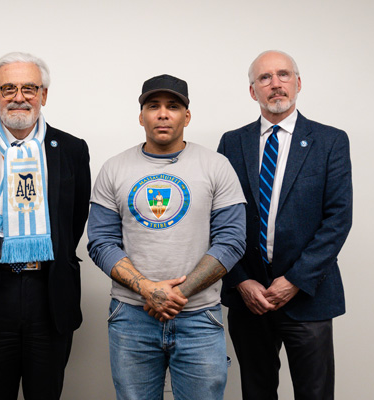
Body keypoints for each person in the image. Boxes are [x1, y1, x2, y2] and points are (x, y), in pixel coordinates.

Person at [87, 74, 247, 400]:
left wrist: (176, 294)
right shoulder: (114, 168)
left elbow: (231, 240)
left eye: (173, 106)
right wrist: (148, 289)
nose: (163, 114)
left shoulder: (216, 166)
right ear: (141, 115)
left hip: (199, 317)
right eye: (153, 106)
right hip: (131, 317)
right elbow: (100, 241)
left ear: (186, 116)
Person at [0, 52, 90, 400]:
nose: (19, 97)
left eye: (29, 88)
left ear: (44, 95)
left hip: (50, 292)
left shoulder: (70, 149)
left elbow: (74, 219)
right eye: (8, 88)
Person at [217, 50, 352, 400]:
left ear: (298, 83)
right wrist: (241, 281)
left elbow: (338, 219)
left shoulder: (330, 141)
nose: (275, 84)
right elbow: (218, 218)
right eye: (264, 78)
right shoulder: (232, 143)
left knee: (315, 394)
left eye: (283, 75)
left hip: (308, 295)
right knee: (257, 392)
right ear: (253, 91)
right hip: (250, 298)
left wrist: (294, 280)